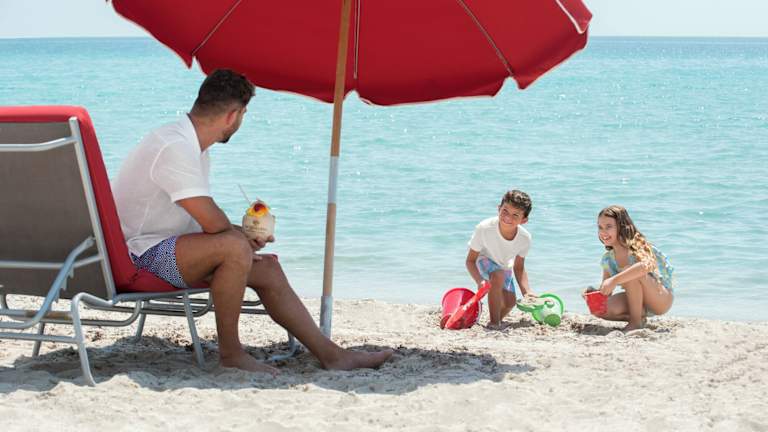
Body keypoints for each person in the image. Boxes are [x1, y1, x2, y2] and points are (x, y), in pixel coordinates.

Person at [113, 69, 392, 374]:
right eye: (244, 115)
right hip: (140, 256)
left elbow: (203, 222)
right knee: (234, 248)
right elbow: (212, 223)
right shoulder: (175, 147)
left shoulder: (191, 146)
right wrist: (241, 240)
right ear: (233, 115)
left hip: (166, 246)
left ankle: (333, 356)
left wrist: (244, 236)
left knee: (267, 268)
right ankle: (232, 355)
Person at [587, 205, 674, 331]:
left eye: (609, 226)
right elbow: (607, 292)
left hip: (660, 298)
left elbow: (645, 266)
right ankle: (638, 316)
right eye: (600, 227)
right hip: (637, 302)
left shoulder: (638, 247)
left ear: (621, 227)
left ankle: (635, 322)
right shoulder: (608, 259)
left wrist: (614, 280)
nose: (603, 231)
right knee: (600, 310)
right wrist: (593, 295)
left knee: (630, 270)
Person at [465, 190, 536, 329]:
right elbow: (470, 260)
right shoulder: (484, 228)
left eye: (515, 215)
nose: (508, 217)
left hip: (503, 265)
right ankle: (494, 323)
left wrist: (527, 292)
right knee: (498, 275)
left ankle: (493, 319)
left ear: (524, 220)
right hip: (482, 260)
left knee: (510, 303)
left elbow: (519, 267)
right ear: (499, 208)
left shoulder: (525, 238)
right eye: (505, 211)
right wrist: (479, 281)